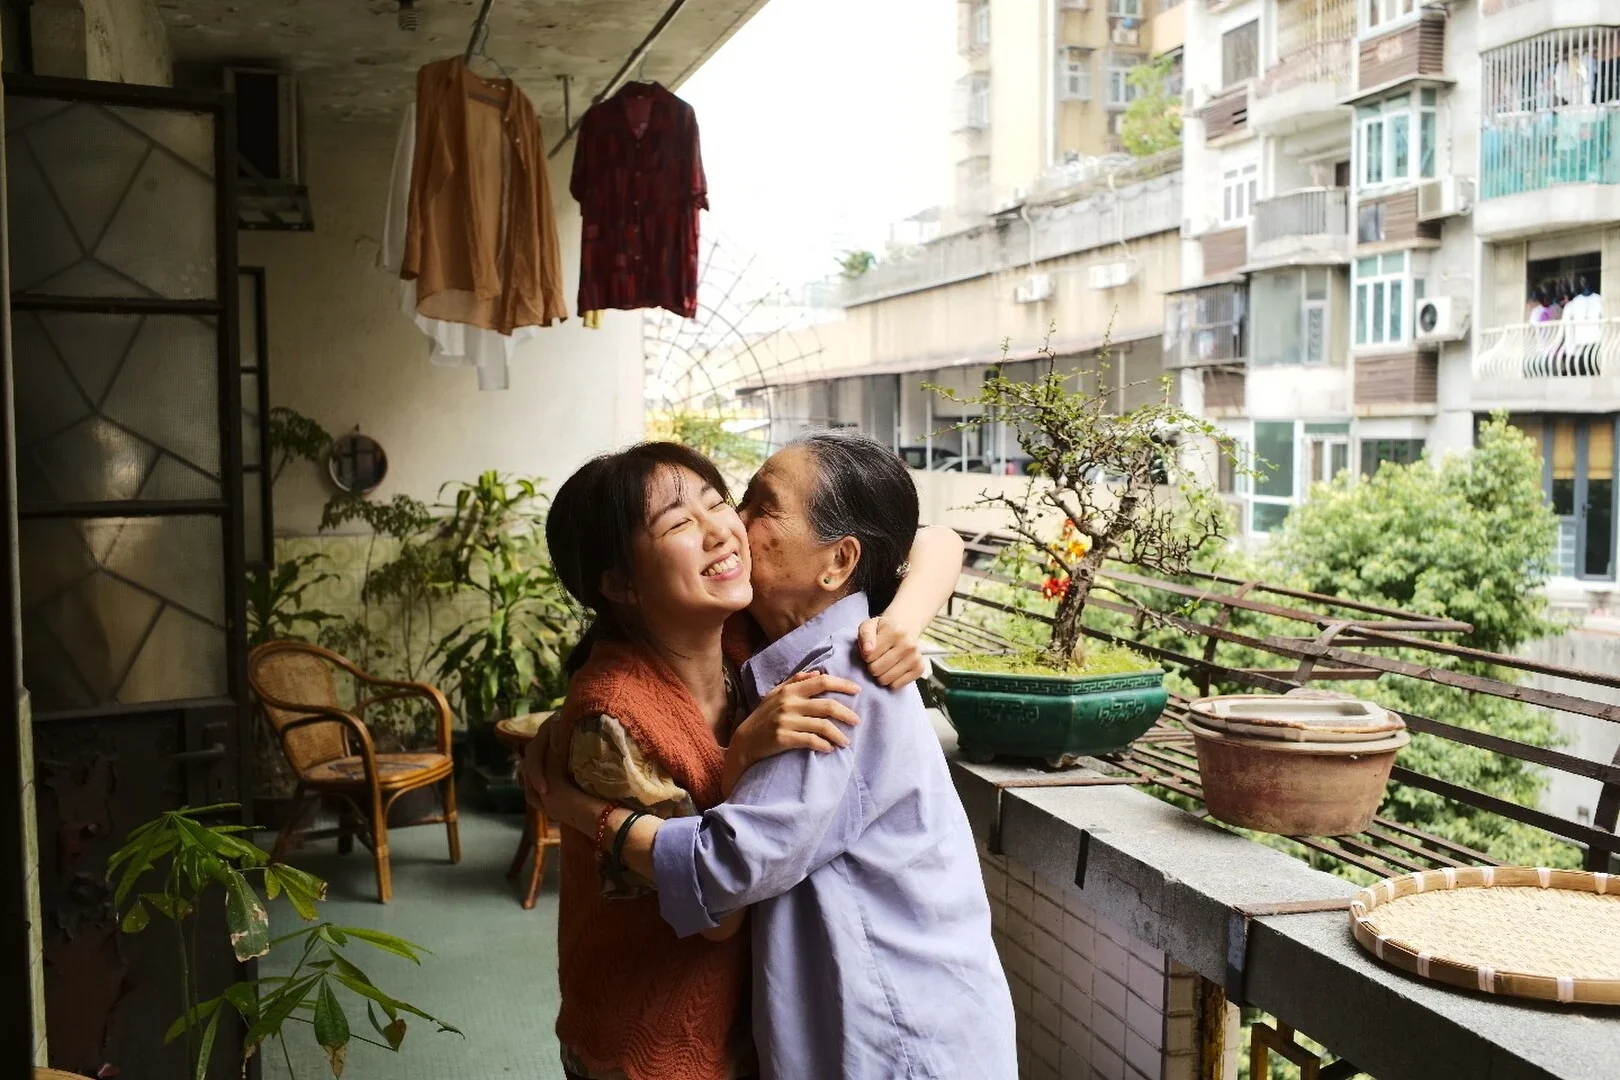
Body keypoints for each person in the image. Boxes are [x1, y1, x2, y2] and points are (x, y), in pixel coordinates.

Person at [533, 432, 1017, 1080]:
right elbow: (930, 539)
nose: (730, 528)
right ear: (620, 582)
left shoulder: (831, 685)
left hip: (895, 1034)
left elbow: (722, 871)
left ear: (838, 563)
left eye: (749, 507)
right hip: (668, 1037)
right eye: (738, 503)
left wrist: (576, 810)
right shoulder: (736, 641)